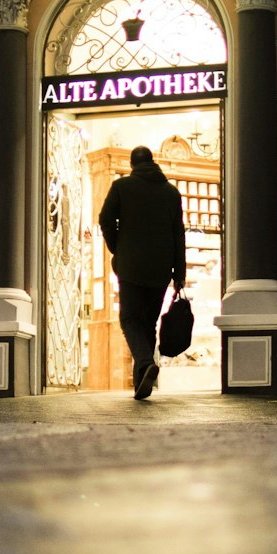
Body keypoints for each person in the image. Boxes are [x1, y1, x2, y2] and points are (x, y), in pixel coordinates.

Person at [98, 145, 184, 400]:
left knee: (129, 319)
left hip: (131, 265)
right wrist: (179, 272)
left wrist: (118, 248)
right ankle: (141, 385)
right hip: (161, 268)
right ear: (153, 162)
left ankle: (146, 363)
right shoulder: (171, 193)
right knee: (148, 323)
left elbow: (105, 219)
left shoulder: (122, 187)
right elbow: (178, 233)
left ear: (133, 164)